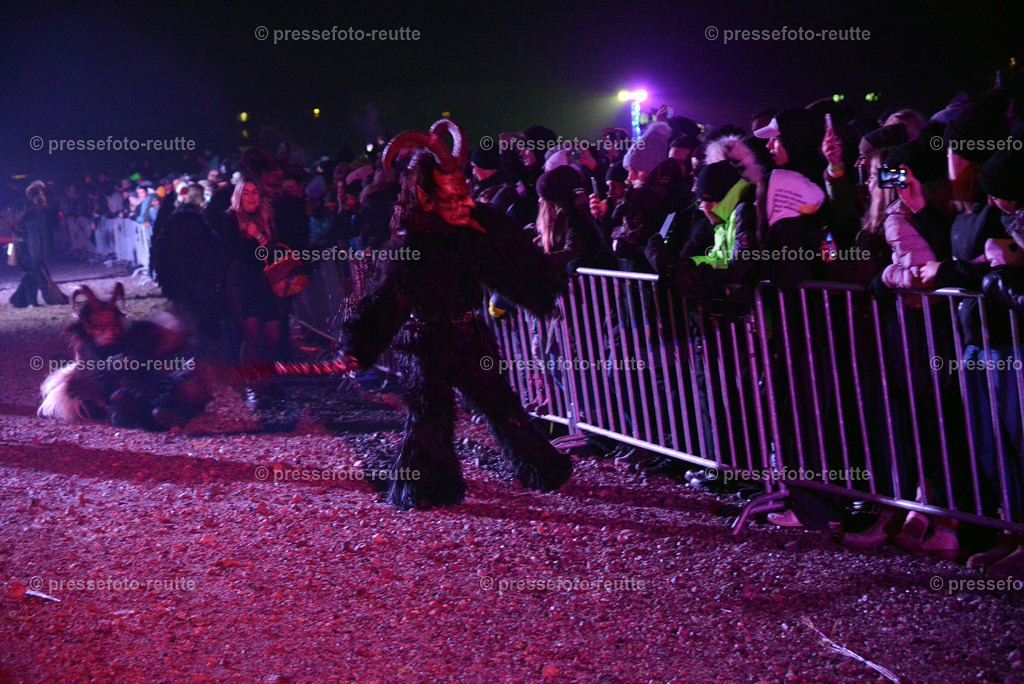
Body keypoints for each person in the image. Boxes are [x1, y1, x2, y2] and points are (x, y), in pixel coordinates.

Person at [339, 119, 572, 510]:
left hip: (470, 337)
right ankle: (427, 486)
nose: (463, 203)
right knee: (430, 419)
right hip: (425, 345)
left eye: (464, 194)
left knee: (502, 405)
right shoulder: (406, 250)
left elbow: (511, 267)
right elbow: (387, 302)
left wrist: (537, 283)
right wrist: (359, 344)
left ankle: (541, 467)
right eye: (451, 199)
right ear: (427, 199)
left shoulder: (473, 231)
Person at [10, 181, 68, 308]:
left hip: (31, 250)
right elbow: (26, 232)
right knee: (38, 275)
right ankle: (39, 299)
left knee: (34, 275)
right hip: (27, 250)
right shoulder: (29, 212)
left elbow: (49, 229)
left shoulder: (38, 213)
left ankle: (20, 300)